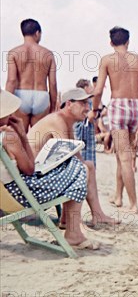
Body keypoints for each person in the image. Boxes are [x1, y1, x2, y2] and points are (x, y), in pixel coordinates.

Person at [0, 89, 98, 250]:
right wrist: (22, 136)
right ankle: (73, 234)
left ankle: (69, 224)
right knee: (80, 168)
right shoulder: (8, 136)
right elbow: (29, 169)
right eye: (7, 111)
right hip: (23, 195)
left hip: (6, 196)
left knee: (74, 167)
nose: (11, 114)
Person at [27, 88, 120, 228]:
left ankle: (97, 214)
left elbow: (73, 155)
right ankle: (68, 221)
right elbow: (68, 159)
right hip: (33, 181)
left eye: (88, 103)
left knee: (88, 165)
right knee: (82, 168)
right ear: (69, 104)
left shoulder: (66, 122)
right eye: (83, 103)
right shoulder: (57, 120)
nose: (88, 108)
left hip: (39, 173)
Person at [92, 26, 138, 213]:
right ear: (128, 41)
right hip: (137, 107)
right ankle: (118, 196)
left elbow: (98, 90)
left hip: (118, 106)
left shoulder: (107, 60)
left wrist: (94, 110)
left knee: (124, 157)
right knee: (123, 155)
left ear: (111, 42)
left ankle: (133, 203)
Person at [5, 19, 57, 131]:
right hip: (42, 97)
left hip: (20, 96)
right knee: (39, 138)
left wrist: (6, 106)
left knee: (20, 136)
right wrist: (53, 107)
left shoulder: (14, 53)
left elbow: (12, 80)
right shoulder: (48, 54)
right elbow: (52, 83)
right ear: (37, 33)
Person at [74, 79, 97, 167]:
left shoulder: (75, 101)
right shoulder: (88, 101)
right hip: (86, 131)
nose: (92, 88)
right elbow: (90, 117)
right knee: (87, 156)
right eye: (90, 86)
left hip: (80, 131)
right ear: (86, 88)